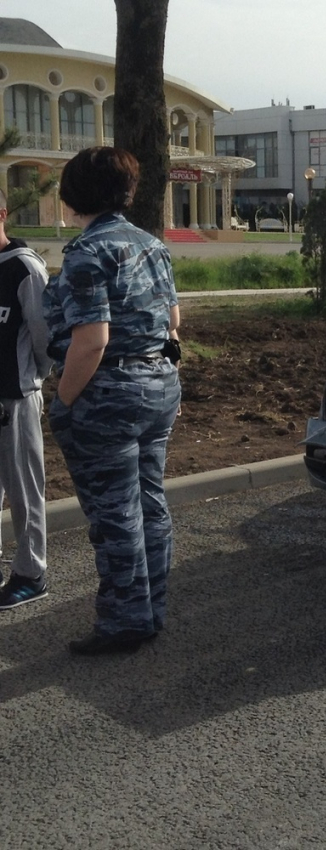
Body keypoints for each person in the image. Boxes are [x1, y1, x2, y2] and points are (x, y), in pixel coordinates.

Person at [44, 147, 182, 655]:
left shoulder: (86, 252)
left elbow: (92, 340)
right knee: (149, 501)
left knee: (114, 512)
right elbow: (173, 323)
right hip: (159, 383)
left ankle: (125, 621)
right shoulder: (151, 244)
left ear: (74, 195)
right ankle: (151, 609)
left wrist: (63, 399)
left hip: (108, 394)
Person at [0, 190, 51, 609]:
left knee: (24, 490)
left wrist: (32, 380)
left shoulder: (25, 269)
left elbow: (44, 339)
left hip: (15, 399)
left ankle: (31, 573)